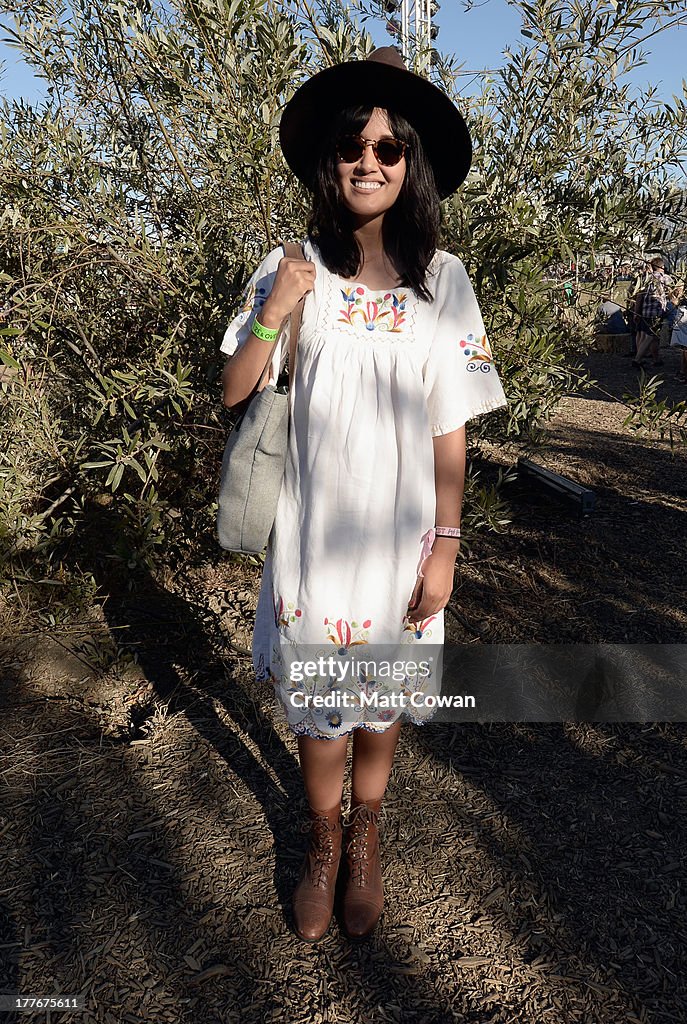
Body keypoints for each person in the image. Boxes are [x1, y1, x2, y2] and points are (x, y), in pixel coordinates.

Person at [220, 48, 507, 943]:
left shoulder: (444, 281)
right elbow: (233, 391)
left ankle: (367, 834)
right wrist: (279, 305)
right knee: (319, 714)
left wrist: (449, 546)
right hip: (310, 537)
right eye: (353, 144)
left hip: (403, 541)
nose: (369, 161)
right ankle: (321, 841)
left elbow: (448, 424)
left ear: (411, 163)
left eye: (389, 147)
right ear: (329, 158)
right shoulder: (294, 264)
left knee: (379, 705)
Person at [633, 256, 669, 368]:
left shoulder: (646, 278)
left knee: (648, 335)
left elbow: (639, 296)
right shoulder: (665, 278)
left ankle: (655, 358)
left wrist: (636, 312)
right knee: (650, 336)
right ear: (662, 267)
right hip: (657, 312)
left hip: (645, 311)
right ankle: (637, 360)